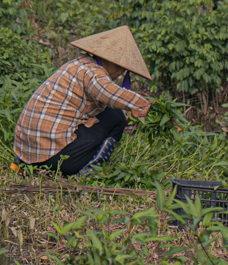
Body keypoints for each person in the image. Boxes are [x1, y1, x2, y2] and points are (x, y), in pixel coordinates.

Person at [15, 26, 152, 177]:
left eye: (123, 69)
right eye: (118, 66)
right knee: (115, 118)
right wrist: (141, 104)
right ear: (106, 58)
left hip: (28, 152)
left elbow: (108, 97)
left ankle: (33, 163)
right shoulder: (92, 71)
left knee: (111, 112)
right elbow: (107, 93)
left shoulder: (80, 64)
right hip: (54, 157)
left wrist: (130, 103)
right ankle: (91, 169)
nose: (120, 73)